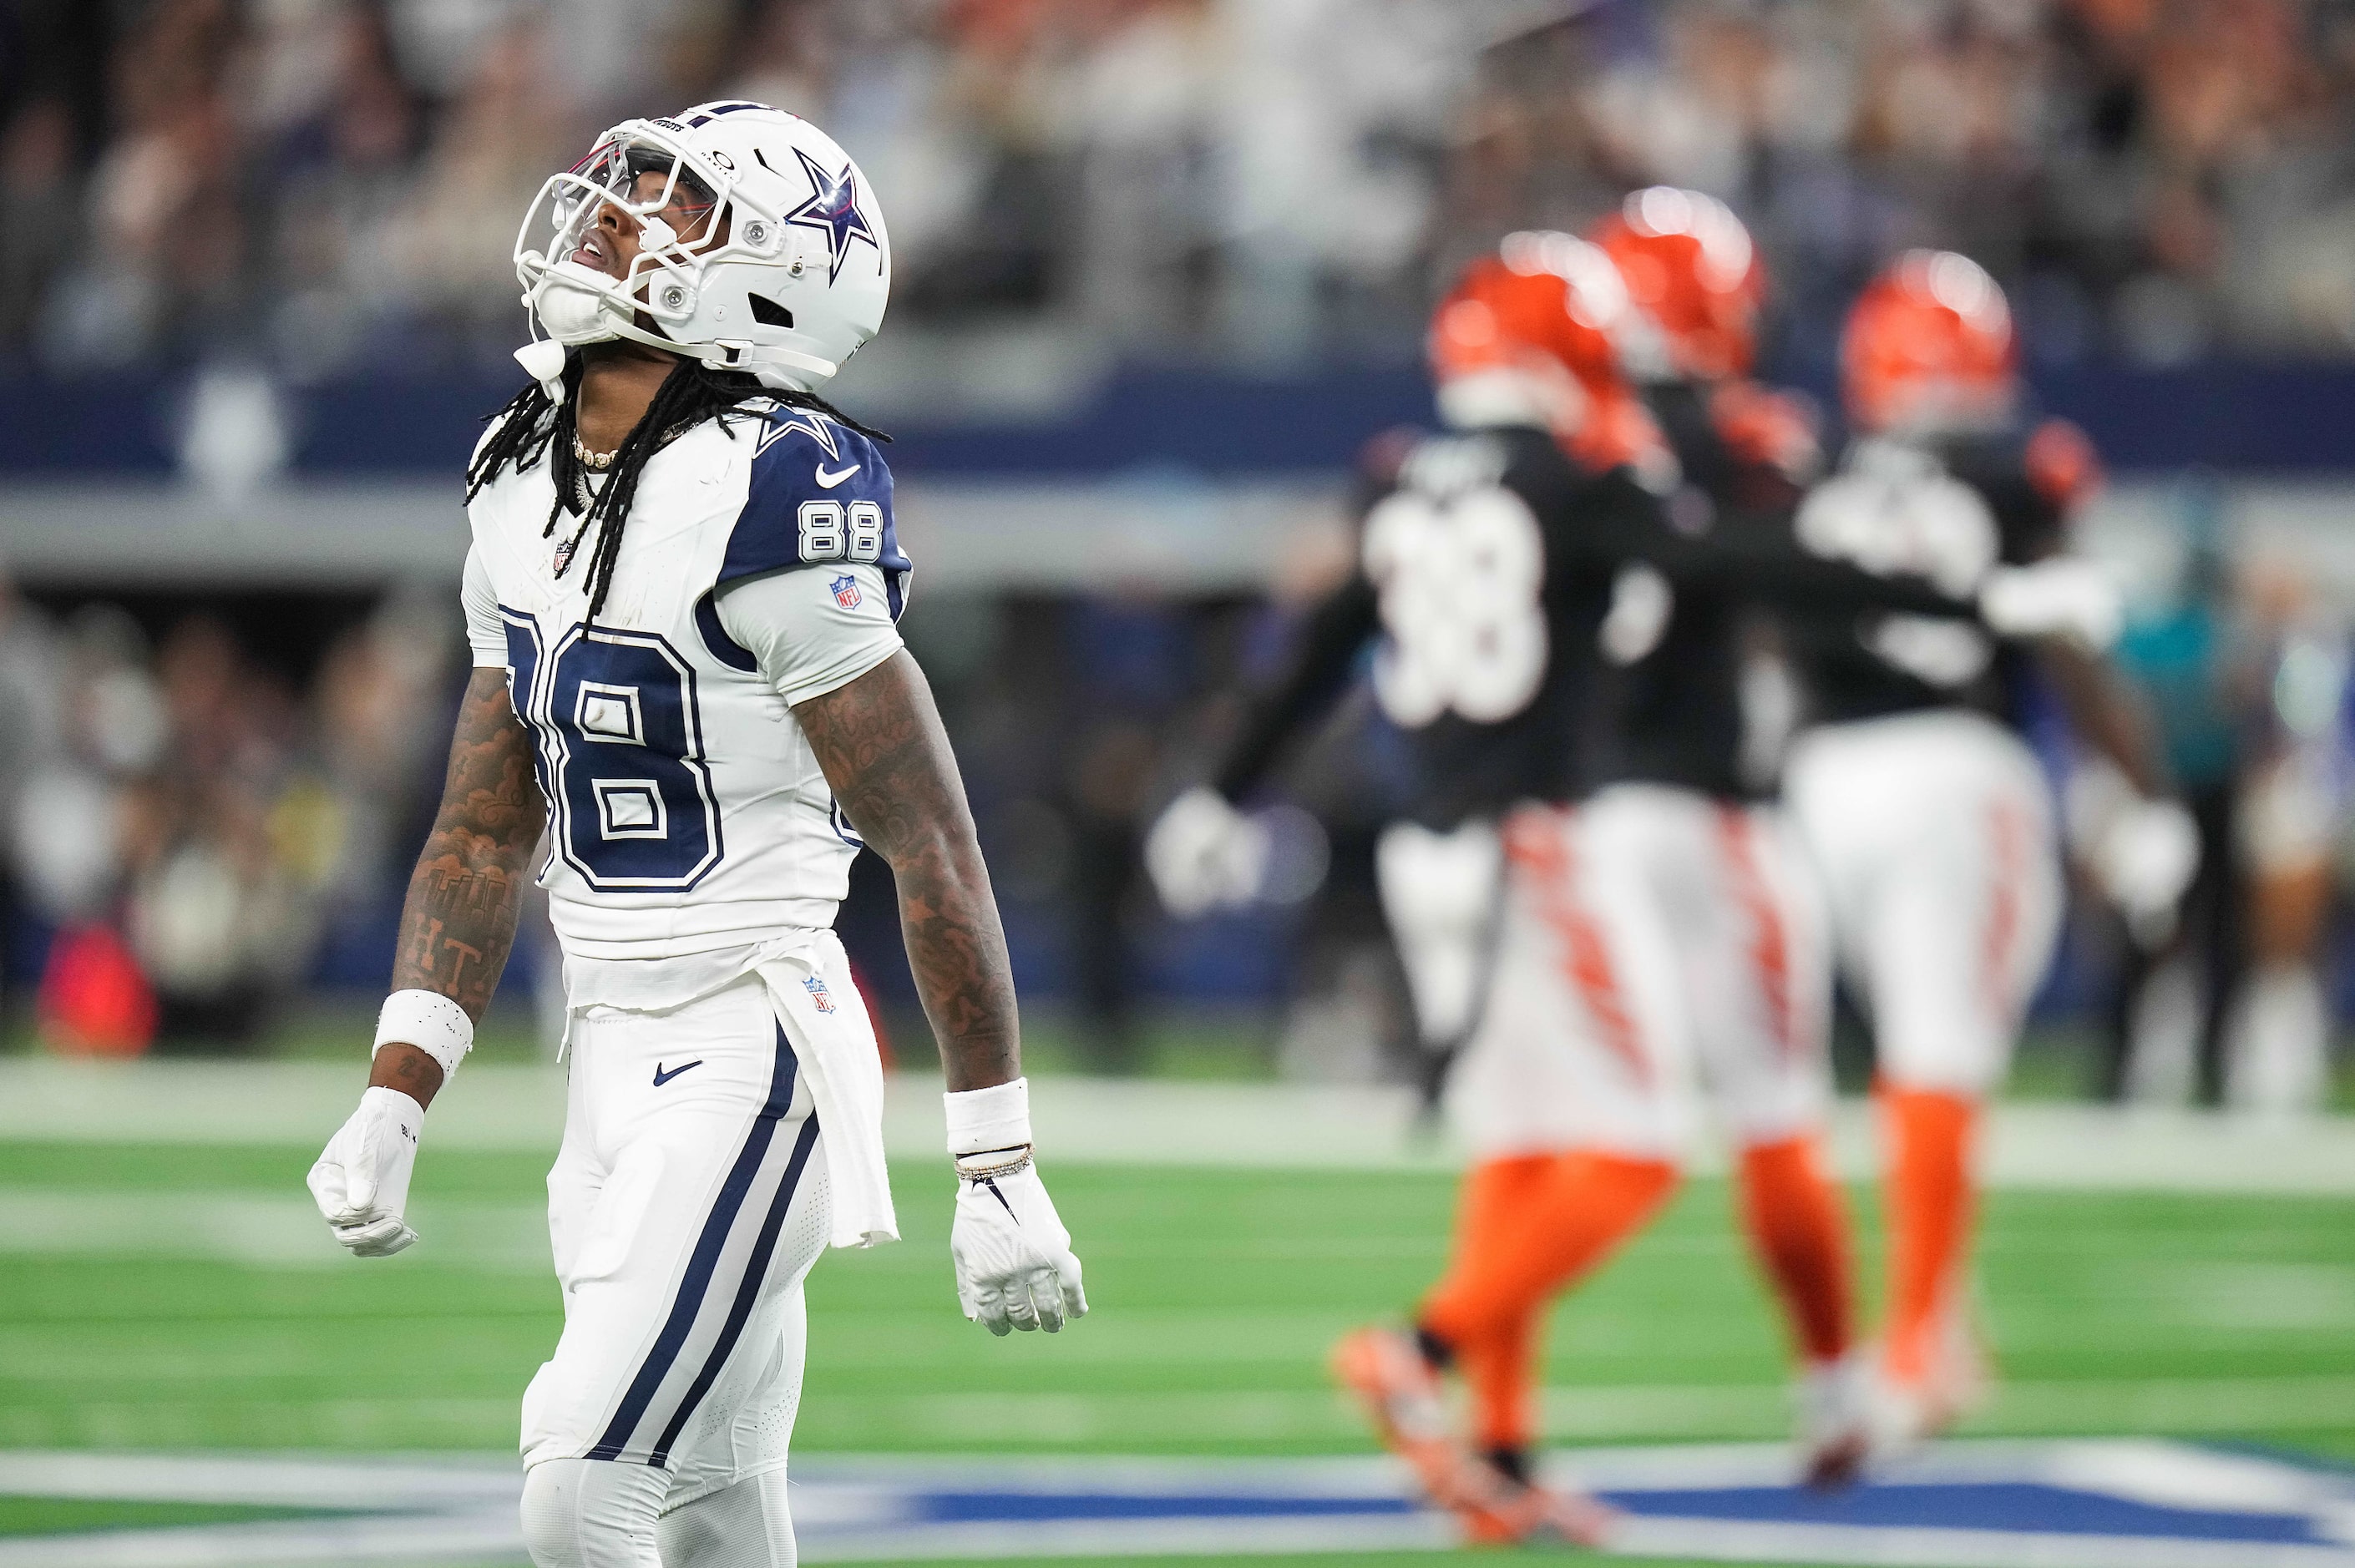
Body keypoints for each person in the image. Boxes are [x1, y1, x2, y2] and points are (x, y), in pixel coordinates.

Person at [1144, 230, 2109, 1539]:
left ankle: (1499, 1445)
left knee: (1520, 1139)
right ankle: (1446, 1349)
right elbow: (1738, 561)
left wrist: (1220, 786)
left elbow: (1320, 641)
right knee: (1666, 1138)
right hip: (1576, 828)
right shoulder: (1627, 465)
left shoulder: (1399, 480)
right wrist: (1971, 595)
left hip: (1439, 840)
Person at [305, 103, 1086, 1568]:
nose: (616, 209)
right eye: (627, 179)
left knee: (581, 1480)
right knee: (721, 1513)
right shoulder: (519, 464)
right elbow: (483, 823)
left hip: (752, 1039)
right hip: (597, 1041)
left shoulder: (776, 483)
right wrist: (398, 1087)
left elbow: (929, 837)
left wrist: (995, 1155)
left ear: (774, 279)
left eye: (676, 200)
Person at [1777, 249, 2189, 1453]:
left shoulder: (1817, 474)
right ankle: (1911, 1345)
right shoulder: (2020, 472)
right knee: (1941, 1055)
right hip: (1959, 775)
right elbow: (2070, 641)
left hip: (1819, 780)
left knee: (1887, 1064)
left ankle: (1932, 1322)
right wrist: (2146, 791)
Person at [1578, 185, 1869, 1483]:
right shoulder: (1748, 435)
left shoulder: (1571, 437)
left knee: (1559, 1133)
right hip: (1710, 810)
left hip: (1574, 818)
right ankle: (1834, 1385)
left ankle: (1487, 1384)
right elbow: (1806, 577)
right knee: (1772, 1114)